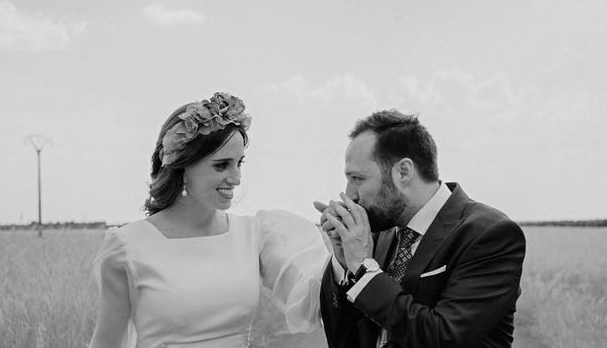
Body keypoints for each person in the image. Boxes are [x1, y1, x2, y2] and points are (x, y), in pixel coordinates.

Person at [89, 92, 329, 348]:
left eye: (239, 163)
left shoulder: (255, 235)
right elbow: (107, 342)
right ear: (182, 166)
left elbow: (314, 299)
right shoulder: (126, 247)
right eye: (222, 165)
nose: (236, 177)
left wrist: (345, 253)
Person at [315, 110, 526, 348]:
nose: (350, 194)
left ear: (403, 171)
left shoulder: (489, 234)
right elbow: (343, 341)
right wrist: (345, 265)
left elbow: (443, 338)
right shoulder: (377, 236)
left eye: (357, 178)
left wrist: (364, 270)